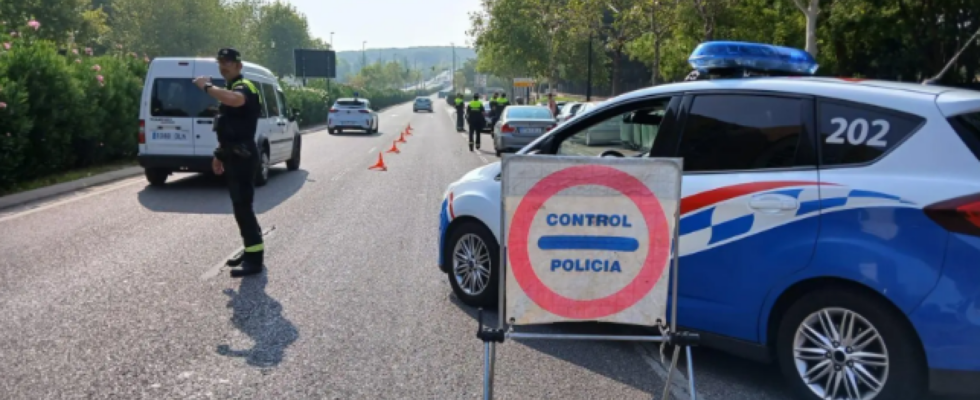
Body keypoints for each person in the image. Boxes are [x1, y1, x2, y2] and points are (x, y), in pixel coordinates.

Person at [192, 48, 265, 278]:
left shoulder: (244, 87)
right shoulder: (231, 87)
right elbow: (228, 128)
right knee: (240, 206)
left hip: (243, 155)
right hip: (233, 154)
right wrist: (219, 155)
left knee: (243, 206)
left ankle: (255, 258)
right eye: (221, 62)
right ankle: (250, 248)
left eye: (229, 63)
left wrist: (206, 87)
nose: (224, 66)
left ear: (239, 66)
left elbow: (236, 101)